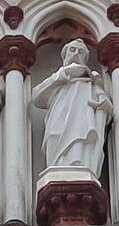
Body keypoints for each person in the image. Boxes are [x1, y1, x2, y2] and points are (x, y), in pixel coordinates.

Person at [35, 39, 110, 177]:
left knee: (79, 138)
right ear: (64, 56)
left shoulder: (91, 82)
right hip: (58, 119)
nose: (76, 53)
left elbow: (104, 107)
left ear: (85, 59)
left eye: (80, 52)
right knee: (54, 136)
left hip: (81, 120)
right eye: (72, 50)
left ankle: (78, 165)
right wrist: (62, 75)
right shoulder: (57, 78)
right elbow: (36, 97)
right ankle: (56, 167)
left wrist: (105, 106)